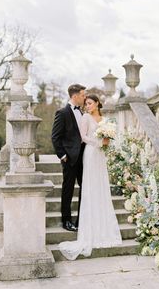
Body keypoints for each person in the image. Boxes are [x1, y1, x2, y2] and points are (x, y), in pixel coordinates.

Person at [59, 94, 122, 260]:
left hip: (101, 156)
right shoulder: (85, 117)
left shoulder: (105, 119)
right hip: (91, 152)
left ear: (97, 103)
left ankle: (104, 227)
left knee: (101, 187)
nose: (87, 106)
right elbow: (83, 137)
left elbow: (110, 137)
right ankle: (90, 229)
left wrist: (107, 141)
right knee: (91, 187)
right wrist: (98, 143)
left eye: (90, 103)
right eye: (86, 103)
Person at [52, 84, 86, 232]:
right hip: (70, 159)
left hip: (84, 157)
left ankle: (81, 219)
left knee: (85, 189)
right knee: (68, 189)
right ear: (75, 96)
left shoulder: (82, 112)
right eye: (83, 95)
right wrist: (63, 155)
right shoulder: (62, 112)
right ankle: (66, 221)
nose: (84, 98)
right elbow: (55, 137)